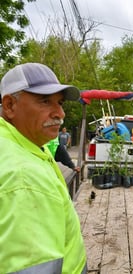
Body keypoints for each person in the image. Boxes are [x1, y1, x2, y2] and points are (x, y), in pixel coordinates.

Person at [0, 62, 87, 273]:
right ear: (10, 105)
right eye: (45, 101)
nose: (60, 113)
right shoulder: (24, 177)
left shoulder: (24, 142)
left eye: (60, 103)